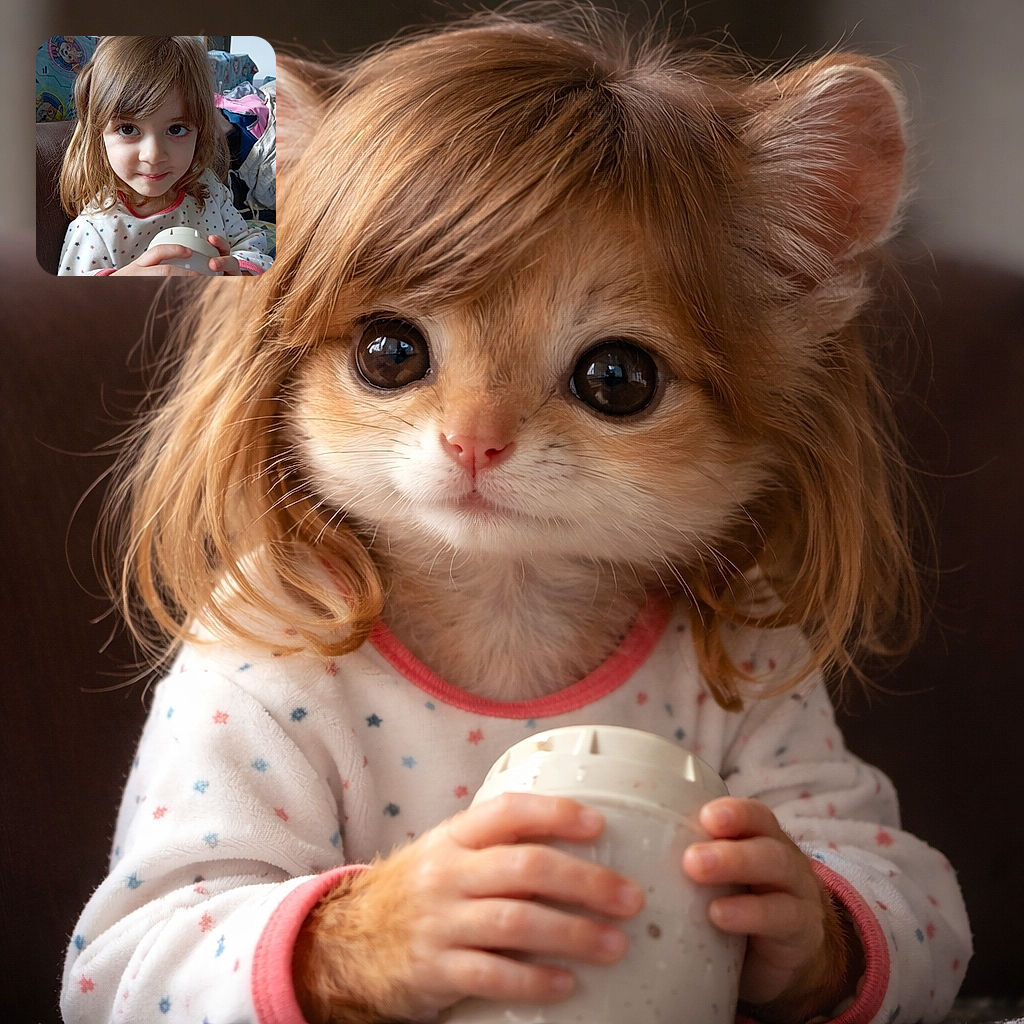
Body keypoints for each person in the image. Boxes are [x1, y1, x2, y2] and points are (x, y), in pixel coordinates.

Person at [61, 8, 971, 1023]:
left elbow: (923, 912)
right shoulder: (271, 637)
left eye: (611, 377)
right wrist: (354, 943)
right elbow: (120, 978)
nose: (475, 432)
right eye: (394, 353)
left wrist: (821, 938)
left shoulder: (733, 644)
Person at [56, 35, 272, 276]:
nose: (153, 155)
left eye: (176, 129)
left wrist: (240, 271)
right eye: (128, 129)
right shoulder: (94, 228)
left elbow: (250, 242)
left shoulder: (209, 190)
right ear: (99, 134)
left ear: (200, 131)